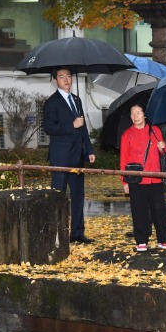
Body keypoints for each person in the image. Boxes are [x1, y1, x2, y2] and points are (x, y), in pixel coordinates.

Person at [43, 67, 96, 244]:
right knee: (58, 195)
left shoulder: (77, 100)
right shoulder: (51, 103)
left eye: (68, 76)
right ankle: (57, 233)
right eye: (61, 77)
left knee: (78, 195)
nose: (66, 79)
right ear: (55, 80)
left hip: (77, 155)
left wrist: (89, 149)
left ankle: (77, 233)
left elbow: (83, 128)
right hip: (60, 156)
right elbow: (49, 128)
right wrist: (71, 125)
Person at [120, 102, 166, 251]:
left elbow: (163, 153)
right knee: (139, 210)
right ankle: (141, 240)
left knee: (159, 210)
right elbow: (123, 158)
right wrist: (124, 181)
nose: (135, 116)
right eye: (132, 113)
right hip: (136, 178)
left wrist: (163, 148)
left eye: (138, 112)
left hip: (155, 177)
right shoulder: (127, 134)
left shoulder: (154, 131)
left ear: (144, 114)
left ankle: (163, 239)